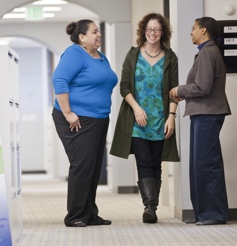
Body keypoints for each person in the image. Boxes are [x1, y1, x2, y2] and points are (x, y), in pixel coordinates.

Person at [110, 13, 180, 224]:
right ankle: (149, 207)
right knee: (144, 160)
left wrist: (171, 116)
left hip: (160, 119)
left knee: (156, 162)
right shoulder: (133, 55)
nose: (152, 33)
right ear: (143, 31)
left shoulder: (170, 57)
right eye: (149, 29)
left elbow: (174, 90)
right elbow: (124, 87)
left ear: (163, 33)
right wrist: (137, 108)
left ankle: (153, 206)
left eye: (157, 30)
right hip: (137, 120)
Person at [52, 19, 118, 227]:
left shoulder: (100, 56)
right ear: (82, 37)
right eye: (94, 32)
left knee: (93, 168)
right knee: (82, 166)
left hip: (98, 119)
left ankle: (89, 213)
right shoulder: (75, 53)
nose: (99, 35)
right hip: (78, 120)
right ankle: (75, 216)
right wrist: (68, 112)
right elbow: (59, 80)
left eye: (99, 31)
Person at [169, 17, 231, 226]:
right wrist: (185, 93)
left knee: (206, 164)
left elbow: (202, 87)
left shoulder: (207, 53)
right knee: (200, 165)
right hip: (203, 113)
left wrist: (180, 90)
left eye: (193, 28)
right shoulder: (207, 52)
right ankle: (205, 213)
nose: (191, 32)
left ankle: (213, 214)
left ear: (203, 30)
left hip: (207, 113)